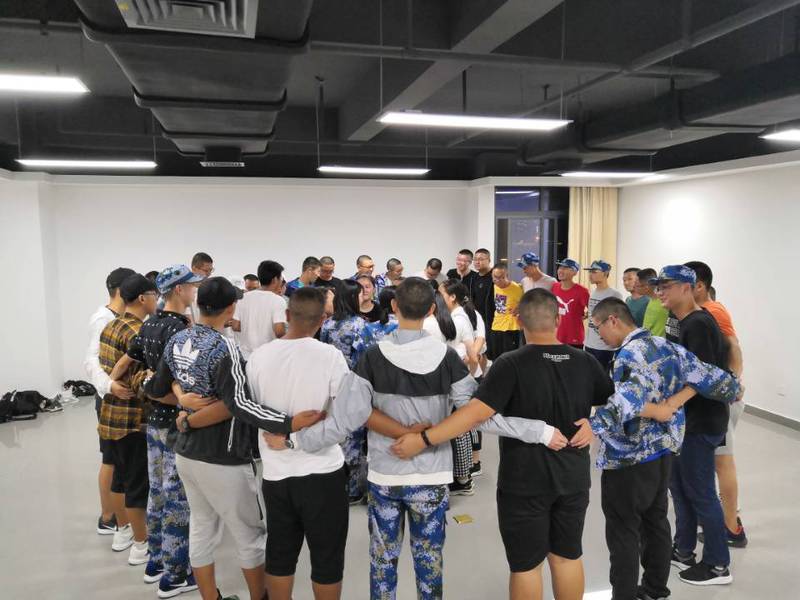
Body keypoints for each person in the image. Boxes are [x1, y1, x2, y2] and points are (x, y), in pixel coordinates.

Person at [267, 278, 551, 600]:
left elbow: (345, 419)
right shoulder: (447, 358)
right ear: (431, 310)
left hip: (385, 476)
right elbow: (477, 415)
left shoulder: (372, 357)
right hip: (431, 477)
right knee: (429, 562)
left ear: (393, 306)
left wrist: (294, 441)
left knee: (382, 563)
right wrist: (540, 431)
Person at [390, 288, 615, 600]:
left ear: (518, 320)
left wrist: (424, 439)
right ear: (558, 319)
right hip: (573, 477)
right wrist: (595, 424)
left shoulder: (510, 364)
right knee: (567, 556)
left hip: (524, 481)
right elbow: (615, 402)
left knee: (526, 566)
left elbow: (473, 415)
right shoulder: (585, 361)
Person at [147, 276, 310, 600]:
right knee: (249, 534)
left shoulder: (178, 339)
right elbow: (240, 405)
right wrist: (288, 422)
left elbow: (155, 388)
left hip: (186, 454)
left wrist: (182, 398)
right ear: (231, 308)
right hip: (223, 456)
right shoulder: (225, 349)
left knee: (202, 528)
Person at [579, 297, 740, 600]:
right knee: (656, 522)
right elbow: (719, 379)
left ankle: (624, 595)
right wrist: (731, 387)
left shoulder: (629, 355)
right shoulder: (667, 346)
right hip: (662, 454)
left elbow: (628, 400)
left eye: (598, 327)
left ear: (613, 320)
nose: (598, 335)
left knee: (623, 531)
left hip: (628, 459)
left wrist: (593, 425)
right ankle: (655, 589)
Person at [109, 265, 202, 596]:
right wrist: (183, 399)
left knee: (158, 491)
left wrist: (112, 383)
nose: (195, 291)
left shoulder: (150, 323)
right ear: (178, 289)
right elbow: (171, 380)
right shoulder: (178, 330)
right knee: (177, 497)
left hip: (153, 423)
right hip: (174, 422)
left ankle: (155, 560)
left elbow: (127, 359)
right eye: (192, 286)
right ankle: (175, 574)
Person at [653, 265, 734, 586]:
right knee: (679, 486)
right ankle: (683, 550)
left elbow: (705, 375)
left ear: (687, 288)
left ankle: (717, 565)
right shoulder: (678, 319)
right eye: (658, 286)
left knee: (701, 493)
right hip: (683, 420)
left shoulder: (699, 323)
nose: (660, 292)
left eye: (666, 286)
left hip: (702, 421)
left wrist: (671, 403)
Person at [684, 261, 748, 548]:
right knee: (714, 461)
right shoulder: (697, 314)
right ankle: (723, 518)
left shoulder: (714, 311)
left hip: (720, 401)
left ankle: (732, 527)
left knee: (723, 461)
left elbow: (734, 346)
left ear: (699, 286)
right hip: (710, 399)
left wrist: (732, 382)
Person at [97, 273, 159, 566]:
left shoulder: (111, 325)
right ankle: (140, 544)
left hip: (110, 414)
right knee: (137, 484)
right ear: (143, 298)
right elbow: (139, 381)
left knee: (120, 478)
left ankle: (122, 531)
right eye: (155, 295)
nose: (157, 301)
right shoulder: (138, 332)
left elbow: (104, 366)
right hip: (132, 418)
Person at [84, 266, 135, 539]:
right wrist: (110, 385)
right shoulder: (103, 318)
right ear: (121, 290)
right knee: (111, 460)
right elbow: (91, 361)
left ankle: (120, 514)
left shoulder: (120, 317)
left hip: (121, 398)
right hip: (109, 398)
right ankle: (108, 517)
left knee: (119, 460)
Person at [320, 279, 376, 503]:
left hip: (332, 387)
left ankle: (337, 484)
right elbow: (366, 360)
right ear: (352, 297)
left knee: (337, 435)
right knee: (354, 438)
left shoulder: (327, 324)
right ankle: (353, 489)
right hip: (354, 386)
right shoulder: (360, 326)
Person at [229, 260, 287, 359]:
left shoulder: (243, 298)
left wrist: (251, 328)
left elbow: (235, 326)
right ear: (275, 279)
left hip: (245, 356)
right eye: (281, 278)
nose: (282, 280)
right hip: (267, 356)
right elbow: (279, 332)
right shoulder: (278, 301)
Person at [583, 260, 623, 372]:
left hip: (605, 346)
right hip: (589, 344)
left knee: (603, 377)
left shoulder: (614, 294)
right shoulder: (593, 292)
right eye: (590, 272)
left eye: (594, 272)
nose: (590, 275)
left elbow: (618, 319)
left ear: (605, 273)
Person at [551, 258, 589, 348]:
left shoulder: (582, 291)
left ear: (574, 272)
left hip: (575, 339)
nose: (561, 270)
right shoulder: (554, 287)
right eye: (560, 267)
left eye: (565, 268)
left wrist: (586, 315)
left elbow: (593, 310)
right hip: (556, 337)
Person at [489, 263, 523, 360]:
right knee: (496, 358)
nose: (497, 280)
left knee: (509, 358)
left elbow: (525, 303)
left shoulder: (516, 288)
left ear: (506, 276)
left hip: (511, 328)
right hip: (496, 326)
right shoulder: (494, 286)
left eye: (501, 277)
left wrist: (520, 308)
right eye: (495, 277)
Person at [470, 248, 495, 357]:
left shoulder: (494, 276)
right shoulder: (474, 277)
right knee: (480, 351)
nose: (477, 262)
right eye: (475, 259)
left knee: (491, 350)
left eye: (481, 259)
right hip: (477, 319)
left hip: (492, 319)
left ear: (489, 260)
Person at [639, 268, 668, 337]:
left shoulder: (665, 302)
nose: (636, 288)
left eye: (639, 285)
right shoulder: (651, 300)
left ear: (646, 286)